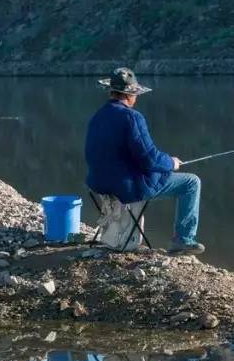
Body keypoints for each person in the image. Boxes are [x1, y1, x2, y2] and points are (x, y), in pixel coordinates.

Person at [85, 67, 205, 255]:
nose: (136, 98)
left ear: (111, 92)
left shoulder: (98, 116)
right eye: (135, 94)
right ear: (129, 95)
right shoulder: (131, 117)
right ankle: (183, 240)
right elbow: (149, 159)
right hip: (126, 187)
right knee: (191, 182)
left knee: (165, 173)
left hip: (99, 184)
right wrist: (171, 163)